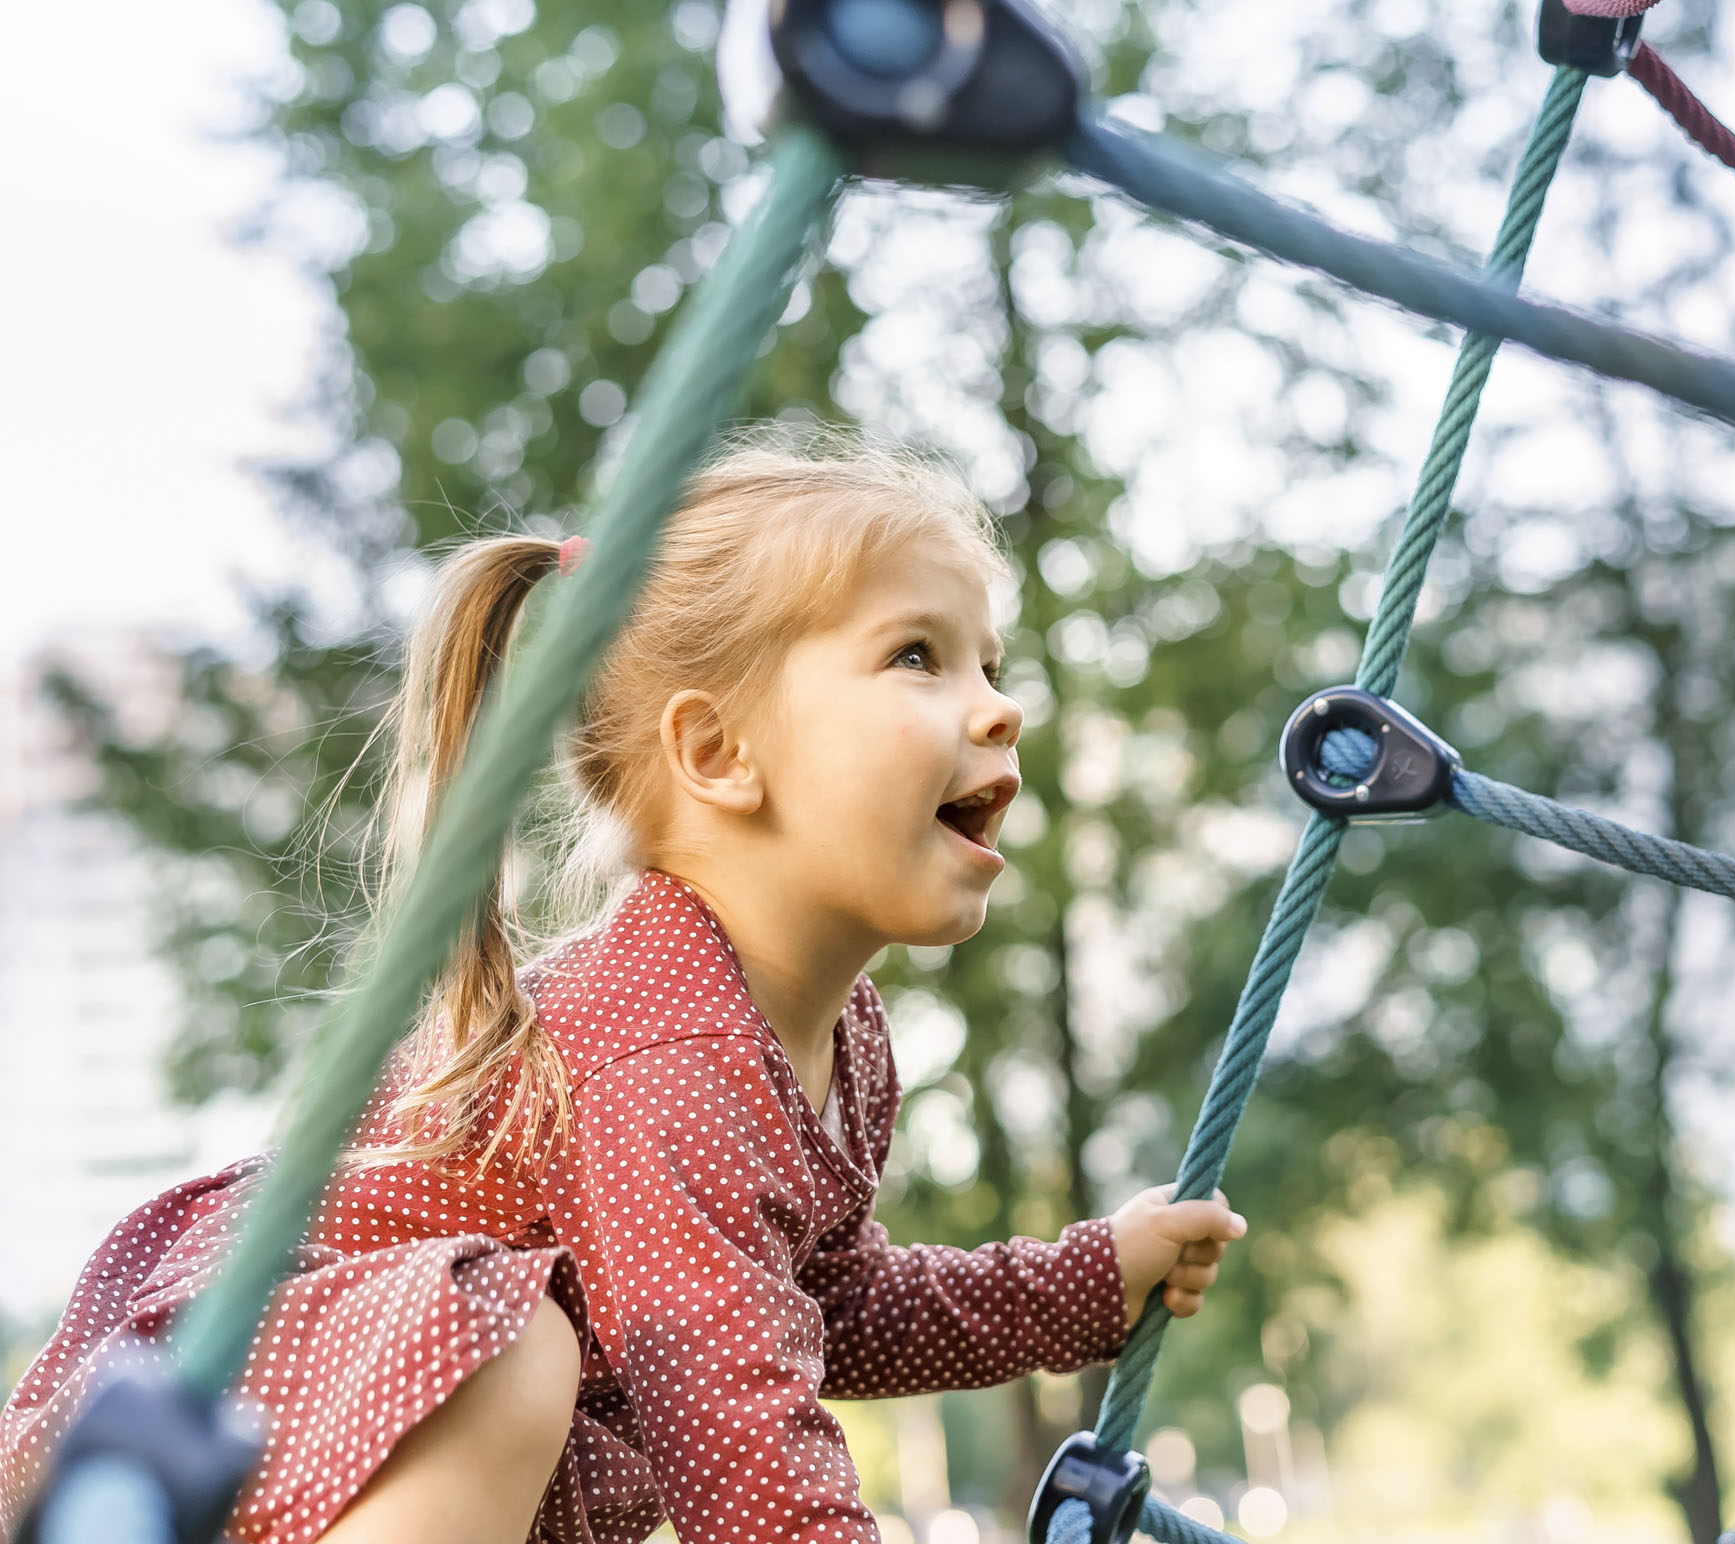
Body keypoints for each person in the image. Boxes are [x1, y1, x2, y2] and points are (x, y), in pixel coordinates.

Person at [0, 430, 1247, 1544]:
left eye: (990, 663)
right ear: (717, 753)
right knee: (511, 1344)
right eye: (918, 656)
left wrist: (1086, 1280)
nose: (1000, 707)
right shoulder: (666, 1051)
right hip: (244, 1420)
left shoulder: (835, 1041)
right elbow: (739, 1448)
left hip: (373, 1451)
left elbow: (828, 1312)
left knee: (522, 1351)